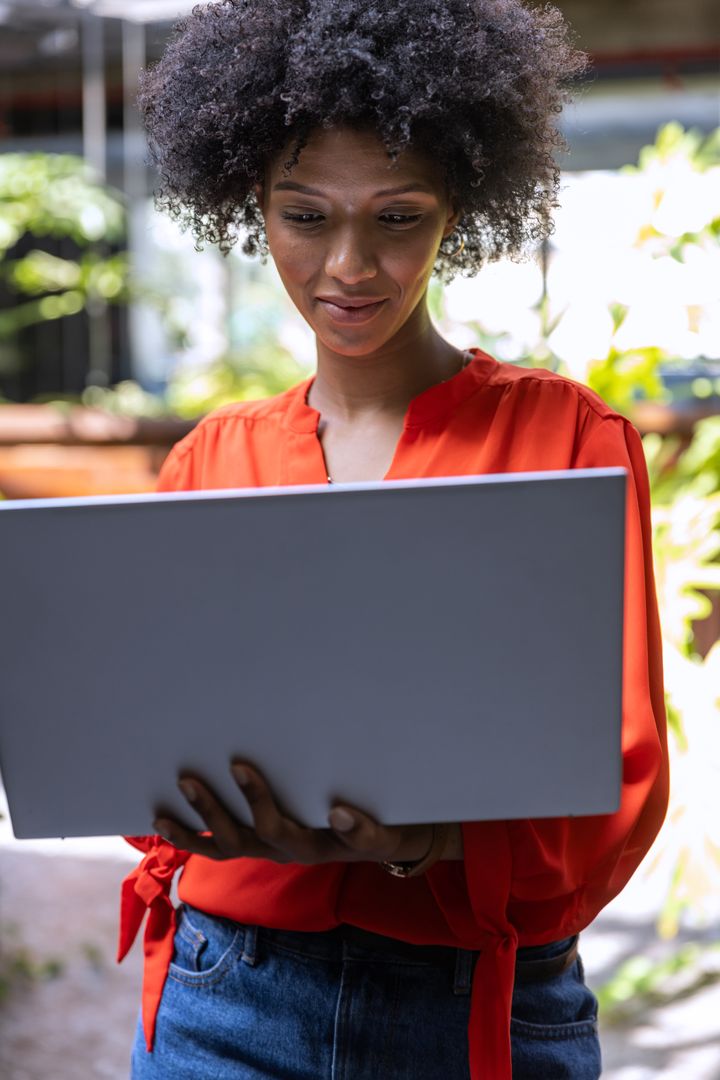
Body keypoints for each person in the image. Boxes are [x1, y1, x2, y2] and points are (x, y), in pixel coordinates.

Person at [118, 1, 669, 1077]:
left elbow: (623, 774)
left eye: (399, 216)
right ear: (252, 208)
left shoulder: (564, 436)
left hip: (476, 1004)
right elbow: (146, 753)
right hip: (227, 996)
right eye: (306, 215)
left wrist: (434, 840)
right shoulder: (209, 461)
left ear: (463, 200)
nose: (350, 266)